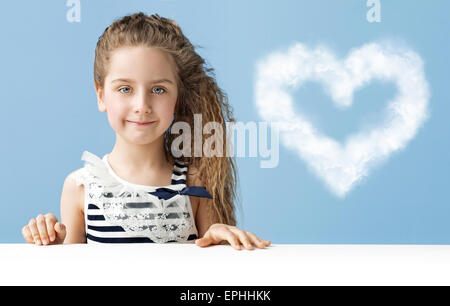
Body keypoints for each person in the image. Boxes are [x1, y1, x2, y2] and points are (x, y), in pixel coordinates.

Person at [21, 12, 271, 250]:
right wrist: (52, 248)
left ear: (177, 96)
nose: (142, 106)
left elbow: (216, 271)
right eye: (125, 89)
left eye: (159, 89)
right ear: (101, 95)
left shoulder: (194, 183)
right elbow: (70, 274)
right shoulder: (80, 187)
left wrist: (221, 241)